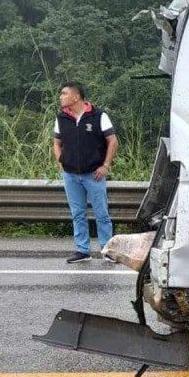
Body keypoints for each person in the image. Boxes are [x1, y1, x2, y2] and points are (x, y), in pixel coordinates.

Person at [52, 81, 118, 263]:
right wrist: (61, 162)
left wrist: (105, 165)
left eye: (64, 93)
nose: (61, 97)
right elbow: (56, 143)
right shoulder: (61, 118)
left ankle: (107, 249)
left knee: (101, 213)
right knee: (77, 213)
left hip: (94, 174)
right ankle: (82, 250)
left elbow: (112, 141)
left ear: (75, 96)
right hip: (71, 175)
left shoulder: (99, 116)